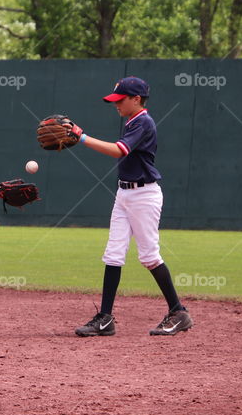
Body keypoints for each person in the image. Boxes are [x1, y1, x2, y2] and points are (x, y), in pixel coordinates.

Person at [71, 76, 193, 337]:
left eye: (121, 100)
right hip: (124, 194)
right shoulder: (131, 121)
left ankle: (178, 312)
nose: (116, 104)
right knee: (113, 254)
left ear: (136, 99)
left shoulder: (143, 122)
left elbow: (118, 150)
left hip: (144, 196)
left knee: (149, 256)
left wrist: (82, 138)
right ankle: (105, 319)